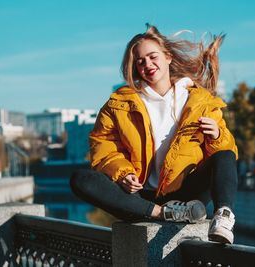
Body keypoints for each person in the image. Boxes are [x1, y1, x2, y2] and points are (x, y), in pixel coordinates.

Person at [70, 24, 238, 244]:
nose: (147, 65)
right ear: (135, 68)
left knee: (225, 154)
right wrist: (123, 174)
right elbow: (103, 147)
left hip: (187, 195)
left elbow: (225, 152)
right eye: (140, 61)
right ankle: (163, 213)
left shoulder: (201, 101)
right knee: (80, 179)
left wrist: (216, 136)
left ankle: (223, 217)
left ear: (167, 57)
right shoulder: (118, 104)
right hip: (140, 199)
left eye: (152, 57)